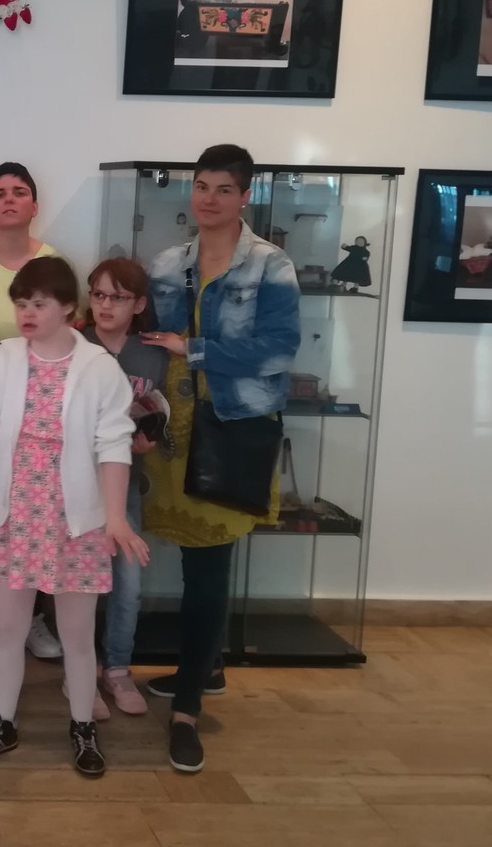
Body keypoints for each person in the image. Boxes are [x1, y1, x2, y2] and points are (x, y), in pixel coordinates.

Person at [0, 257, 147, 778]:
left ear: (68, 307)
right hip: (16, 516)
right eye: (21, 303)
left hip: (79, 521)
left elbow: (114, 444)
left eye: (39, 304)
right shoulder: (1, 360)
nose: (26, 313)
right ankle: (1, 723)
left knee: (76, 634)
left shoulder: (98, 368)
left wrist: (116, 518)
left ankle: (82, 726)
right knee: (7, 629)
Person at [140, 144, 300, 774]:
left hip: (233, 426)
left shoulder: (270, 264)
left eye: (224, 189)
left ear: (245, 196)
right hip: (170, 427)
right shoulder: (166, 263)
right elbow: (147, 340)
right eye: (202, 186)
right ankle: (202, 669)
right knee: (187, 561)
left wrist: (196, 350)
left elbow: (280, 349)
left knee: (208, 569)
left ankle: (186, 710)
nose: (209, 199)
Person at [0, 161, 65, 661]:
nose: (9, 199)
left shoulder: (53, 262)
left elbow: (66, 336)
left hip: (42, 414)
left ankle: (33, 619)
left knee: (36, 518)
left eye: (19, 192)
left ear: (34, 205)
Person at [81, 258, 170, 717]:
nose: (105, 305)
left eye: (117, 297)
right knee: (79, 585)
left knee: (128, 583)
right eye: (98, 294)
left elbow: (162, 408)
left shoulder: (152, 353)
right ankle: (80, 673)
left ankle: (117, 668)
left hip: (125, 485)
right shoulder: (75, 344)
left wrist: (150, 438)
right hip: (75, 485)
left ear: (137, 304)